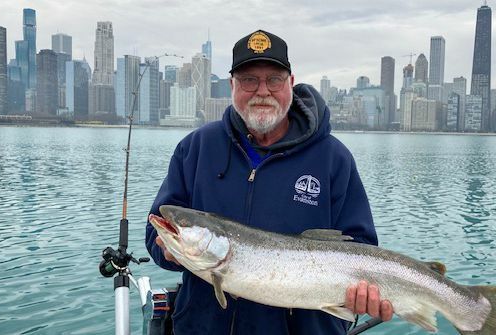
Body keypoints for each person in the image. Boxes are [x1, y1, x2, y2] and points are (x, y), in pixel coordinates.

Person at [146, 29, 393, 334]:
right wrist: (171, 251)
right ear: (232, 85)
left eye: (274, 79)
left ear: (290, 83)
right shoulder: (195, 148)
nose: (262, 91)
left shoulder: (333, 158)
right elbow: (154, 232)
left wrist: (363, 294)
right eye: (249, 80)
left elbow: (362, 246)